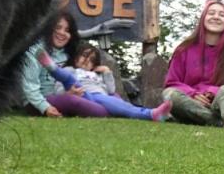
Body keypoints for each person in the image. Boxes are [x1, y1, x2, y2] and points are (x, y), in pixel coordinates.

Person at [162, 0, 224, 128]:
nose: (216, 17)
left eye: (222, 15)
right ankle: (223, 123)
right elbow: (171, 83)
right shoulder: (184, 49)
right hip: (190, 102)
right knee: (169, 94)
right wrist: (192, 94)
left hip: (221, 105)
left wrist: (214, 92)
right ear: (203, 18)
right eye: (211, 13)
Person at [35, 46, 172, 121]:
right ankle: (52, 68)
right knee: (69, 79)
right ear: (76, 57)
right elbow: (59, 90)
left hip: (99, 97)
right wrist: (69, 93)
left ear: (94, 65)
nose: (86, 60)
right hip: (80, 92)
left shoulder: (96, 75)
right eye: (84, 55)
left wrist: (107, 72)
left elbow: (112, 91)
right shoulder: (72, 70)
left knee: (117, 103)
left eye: (91, 60)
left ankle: (152, 114)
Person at [19, 11, 108, 118]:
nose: (62, 33)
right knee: (72, 100)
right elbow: (30, 86)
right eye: (58, 27)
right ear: (49, 28)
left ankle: (108, 107)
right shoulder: (36, 51)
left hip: (64, 96)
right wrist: (46, 108)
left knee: (110, 95)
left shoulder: (68, 54)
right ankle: (107, 110)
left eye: (67, 30)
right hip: (38, 101)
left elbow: (77, 78)